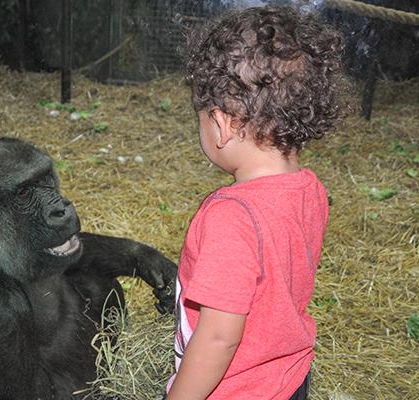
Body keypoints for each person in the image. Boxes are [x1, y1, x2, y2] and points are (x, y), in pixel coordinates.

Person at [165, 5, 345, 400]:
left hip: (237, 390)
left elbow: (218, 338)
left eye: (201, 118)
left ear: (223, 123)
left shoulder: (230, 216)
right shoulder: (309, 188)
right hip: (291, 377)